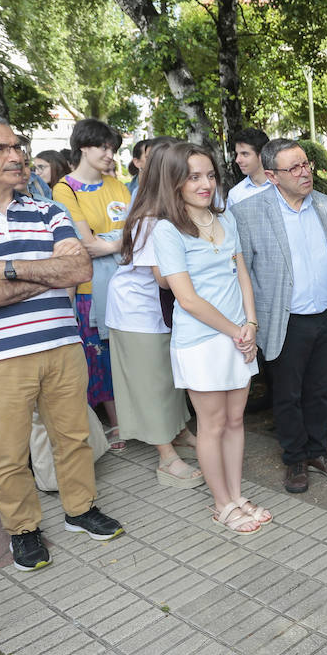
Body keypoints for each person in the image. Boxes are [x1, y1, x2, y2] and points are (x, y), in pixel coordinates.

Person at [0, 111, 124, 571]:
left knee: (73, 437)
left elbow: (78, 270)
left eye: (16, 146)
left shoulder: (48, 209)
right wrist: (43, 273)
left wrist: (7, 268)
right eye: (0, 148)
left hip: (60, 346)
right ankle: (23, 529)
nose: (16, 156)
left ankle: (80, 510)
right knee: (7, 453)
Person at [151, 142, 265, 533]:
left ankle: (236, 494)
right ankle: (222, 504)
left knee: (236, 421)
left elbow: (242, 275)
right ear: (174, 181)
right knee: (212, 424)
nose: (205, 184)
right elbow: (186, 298)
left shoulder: (226, 218)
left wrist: (251, 324)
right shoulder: (166, 230)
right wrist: (237, 331)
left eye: (210, 175)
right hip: (203, 341)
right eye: (194, 176)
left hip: (239, 335)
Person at [233, 139, 327, 492]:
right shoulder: (249, 212)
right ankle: (295, 458)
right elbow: (245, 273)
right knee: (287, 394)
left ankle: (318, 451)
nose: (304, 173)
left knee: (318, 391)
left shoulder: (326, 206)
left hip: (325, 314)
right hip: (283, 319)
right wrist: (251, 321)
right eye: (293, 168)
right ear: (271, 175)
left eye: (306, 165)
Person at [106, 141, 202, 490]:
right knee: (152, 384)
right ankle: (166, 457)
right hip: (137, 314)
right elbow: (165, 277)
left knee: (168, 380)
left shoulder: (166, 213)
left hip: (159, 312)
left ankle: (178, 433)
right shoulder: (151, 219)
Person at [53, 119, 130, 450]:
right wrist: (121, 242)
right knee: (101, 359)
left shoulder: (118, 185)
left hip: (129, 284)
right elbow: (85, 243)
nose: (110, 154)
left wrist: (110, 243)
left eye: (113, 148)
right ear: (84, 146)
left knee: (128, 354)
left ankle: (136, 416)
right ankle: (116, 423)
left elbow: (140, 231)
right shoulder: (64, 189)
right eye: (104, 147)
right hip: (89, 290)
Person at [226, 128, 271, 206]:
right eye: (237, 154)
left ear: (262, 155)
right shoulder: (235, 195)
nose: (237, 160)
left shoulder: (282, 185)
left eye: (244, 154)